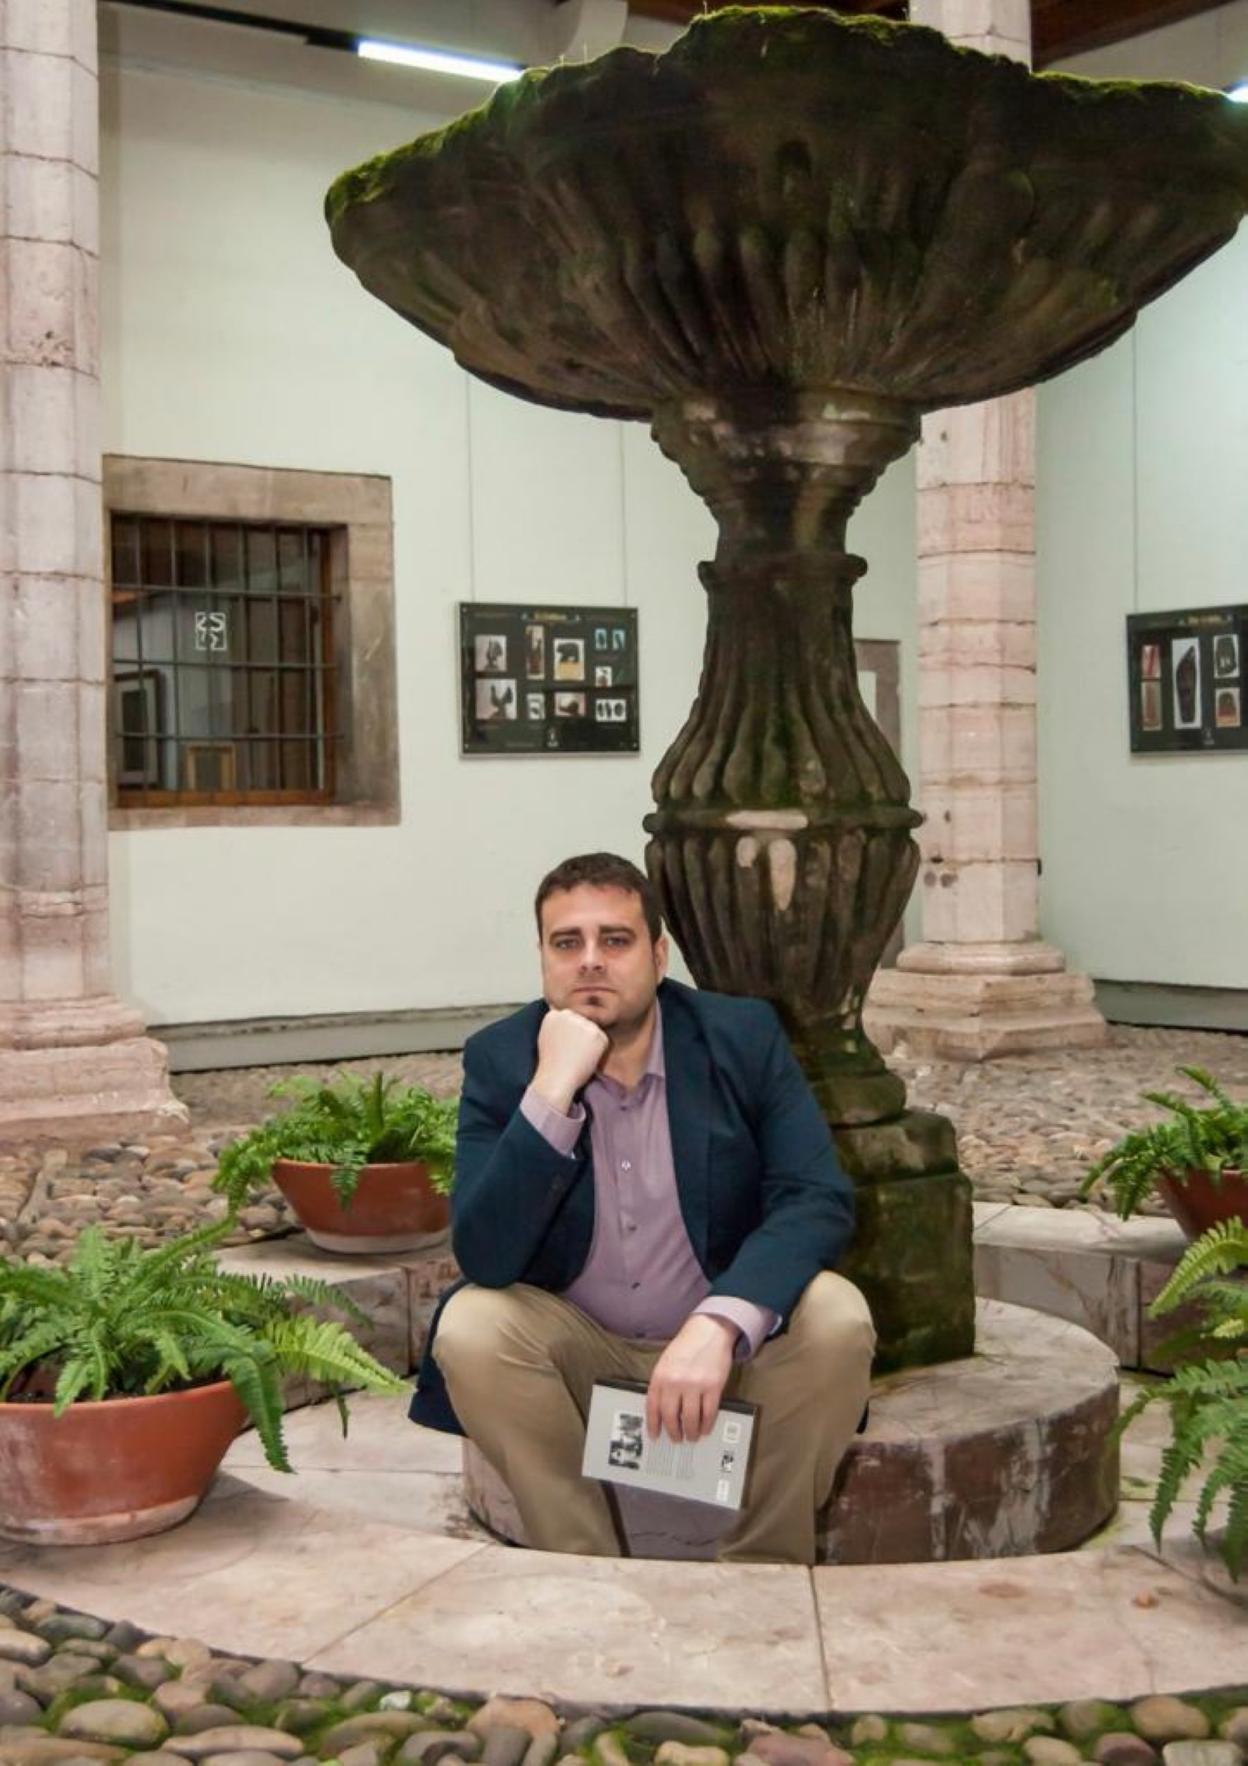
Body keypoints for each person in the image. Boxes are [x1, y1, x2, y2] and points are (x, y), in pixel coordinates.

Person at [410, 851, 875, 1564]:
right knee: (472, 1324)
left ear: (658, 957)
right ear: (543, 959)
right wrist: (551, 1093)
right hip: (579, 1355)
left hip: (728, 1358)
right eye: (568, 943)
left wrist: (719, 1324)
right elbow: (486, 1255)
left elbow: (815, 1198)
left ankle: (763, 1570)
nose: (590, 962)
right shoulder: (502, 1060)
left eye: (615, 940)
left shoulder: (739, 1037)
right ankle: (587, 1571)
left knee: (837, 1314)